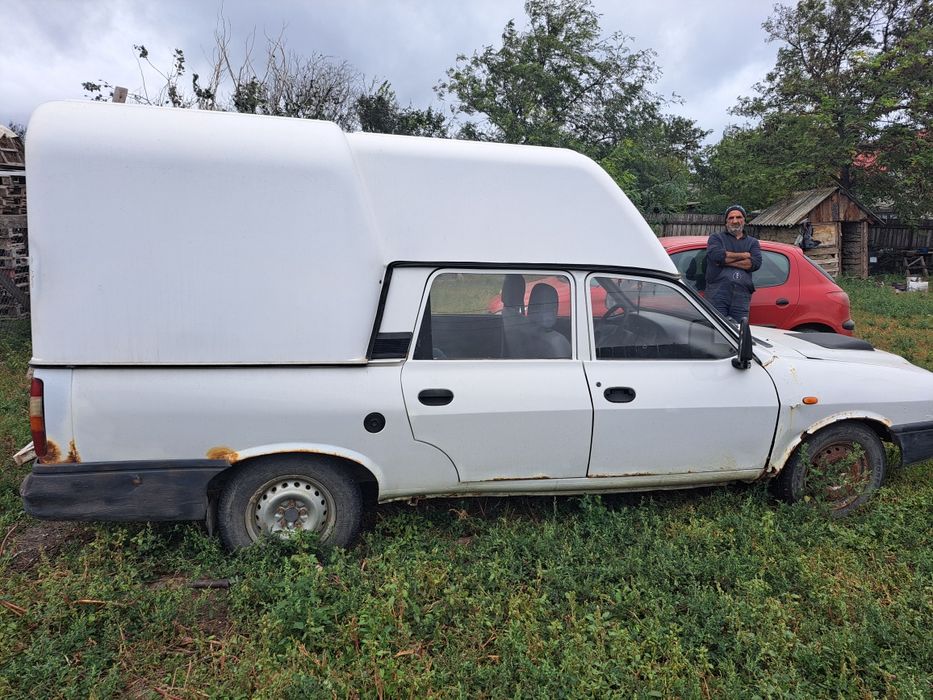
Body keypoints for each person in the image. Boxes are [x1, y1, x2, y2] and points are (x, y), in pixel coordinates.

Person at [705, 204, 762, 322]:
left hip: (742, 296)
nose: (735, 221)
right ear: (726, 222)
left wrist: (724, 261)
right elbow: (717, 256)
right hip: (717, 295)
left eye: (738, 217)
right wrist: (744, 255)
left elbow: (755, 264)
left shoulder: (753, 242)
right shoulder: (716, 238)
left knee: (739, 333)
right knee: (717, 331)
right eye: (731, 218)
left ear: (744, 220)